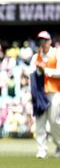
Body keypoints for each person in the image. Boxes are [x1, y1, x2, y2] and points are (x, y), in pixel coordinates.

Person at [30, 31, 60, 159]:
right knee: (40, 122)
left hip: (54, 91)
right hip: (40, 93)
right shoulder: (36, 57)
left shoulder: (57, 54)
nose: (42, 43)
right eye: (40, 41)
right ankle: (41, 150)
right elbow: (31, 74)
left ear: (49, 42)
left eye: (44, 40)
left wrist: (46, 71)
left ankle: (59, 143)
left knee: (54, 121)